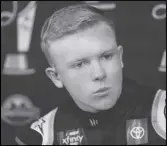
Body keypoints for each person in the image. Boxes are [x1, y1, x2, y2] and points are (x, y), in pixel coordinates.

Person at [15, 3, 166, 145]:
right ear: (56, 77)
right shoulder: (39, 137)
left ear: (120, 57)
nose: (99, 74)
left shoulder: (161, 112)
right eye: (80, 64)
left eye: (106, 56)